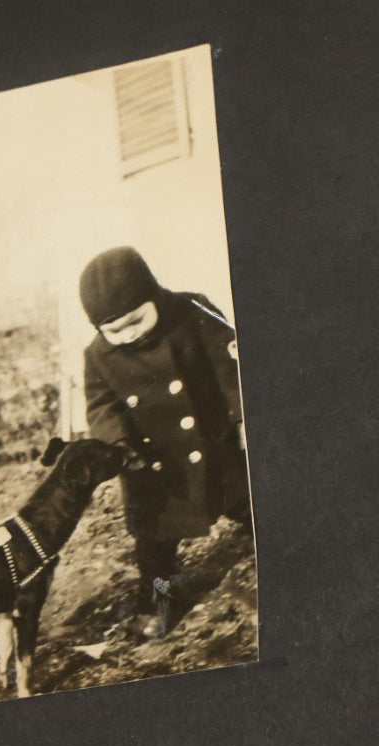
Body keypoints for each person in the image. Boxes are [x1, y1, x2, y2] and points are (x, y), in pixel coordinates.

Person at [79, 246, 250, 636]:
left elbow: (231, 367)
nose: (129, 333)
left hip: (214, 447)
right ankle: (161, 600)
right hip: (154, 467)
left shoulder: (191, 312)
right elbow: (101, 406)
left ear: (153, 295)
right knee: (153, 549)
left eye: (136, 320)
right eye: (114, 330)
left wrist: (243, 417)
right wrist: (118, 443)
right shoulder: (97, 356)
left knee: (252, 503)